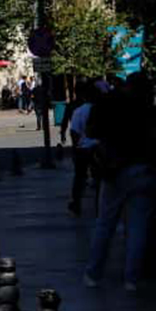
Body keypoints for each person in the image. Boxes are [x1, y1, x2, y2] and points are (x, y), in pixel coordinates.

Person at [84, 72, 156, 292]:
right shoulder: (147, 106)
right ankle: (131, 279)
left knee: (105, 223)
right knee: (138, 227)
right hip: (143, 169)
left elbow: (91, 131)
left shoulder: (108, 102)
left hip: (115, 169)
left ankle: (93, 274)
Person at [64, 81, 97, 216]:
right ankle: (99, 205)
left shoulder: (78, 111)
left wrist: (75, 147)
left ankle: (76, 202)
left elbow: (74, 132)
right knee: (99, 178)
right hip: (98, 148)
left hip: (83, 149)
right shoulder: (100, 109)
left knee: (79, 177)